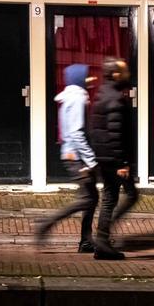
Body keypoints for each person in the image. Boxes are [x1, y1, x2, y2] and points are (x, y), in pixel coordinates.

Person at [35, 64, 99, 253]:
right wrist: (91, 160)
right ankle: (47, 223)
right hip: (76, 157)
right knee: (87, 199)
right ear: (79, 79)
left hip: (73, 154)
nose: (89, 81)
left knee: (91, 197)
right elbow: (77, 132)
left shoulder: (70, 97)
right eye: (86, 77)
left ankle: (86, 241)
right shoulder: (78, 99)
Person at [89, 58, 139, 260]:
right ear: (116, 75)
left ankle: (103, 241)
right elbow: (116, 132)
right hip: (114, 160)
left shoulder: (103, 94)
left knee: (111, 197)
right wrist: (122, 163)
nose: (128, 74)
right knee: (119, 197)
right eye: (124, 71)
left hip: (104, 157)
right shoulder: (116, 99)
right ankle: (103, 240)